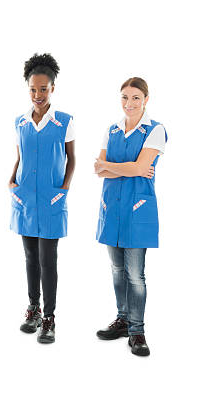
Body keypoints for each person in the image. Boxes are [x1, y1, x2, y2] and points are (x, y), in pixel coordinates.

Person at [94, 77, 166, 357]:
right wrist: (128, 168)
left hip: (137, 209)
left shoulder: (155, 130)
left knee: (135, 275)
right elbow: (99, 170)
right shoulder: (111, 129)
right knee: (116, 270)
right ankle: (123, 319)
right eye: (124, 97)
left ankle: (137, 331)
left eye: (135, 97)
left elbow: (140, 167)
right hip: (111, 208)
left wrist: (110, 166)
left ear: (146, 99)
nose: (129, 103)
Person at [8, 53, 76, 344]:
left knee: (49, 260)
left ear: (53, 88)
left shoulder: (64, 122)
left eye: (43, 89)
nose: (38, 95)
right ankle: (33, 309)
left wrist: (63, 191)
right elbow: (21, 155)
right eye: (33, 89)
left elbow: (71, 159)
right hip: (23, 199)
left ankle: (49, 318)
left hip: (50, 199)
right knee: (30, 258)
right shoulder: (20, 122)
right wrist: (11, 180)